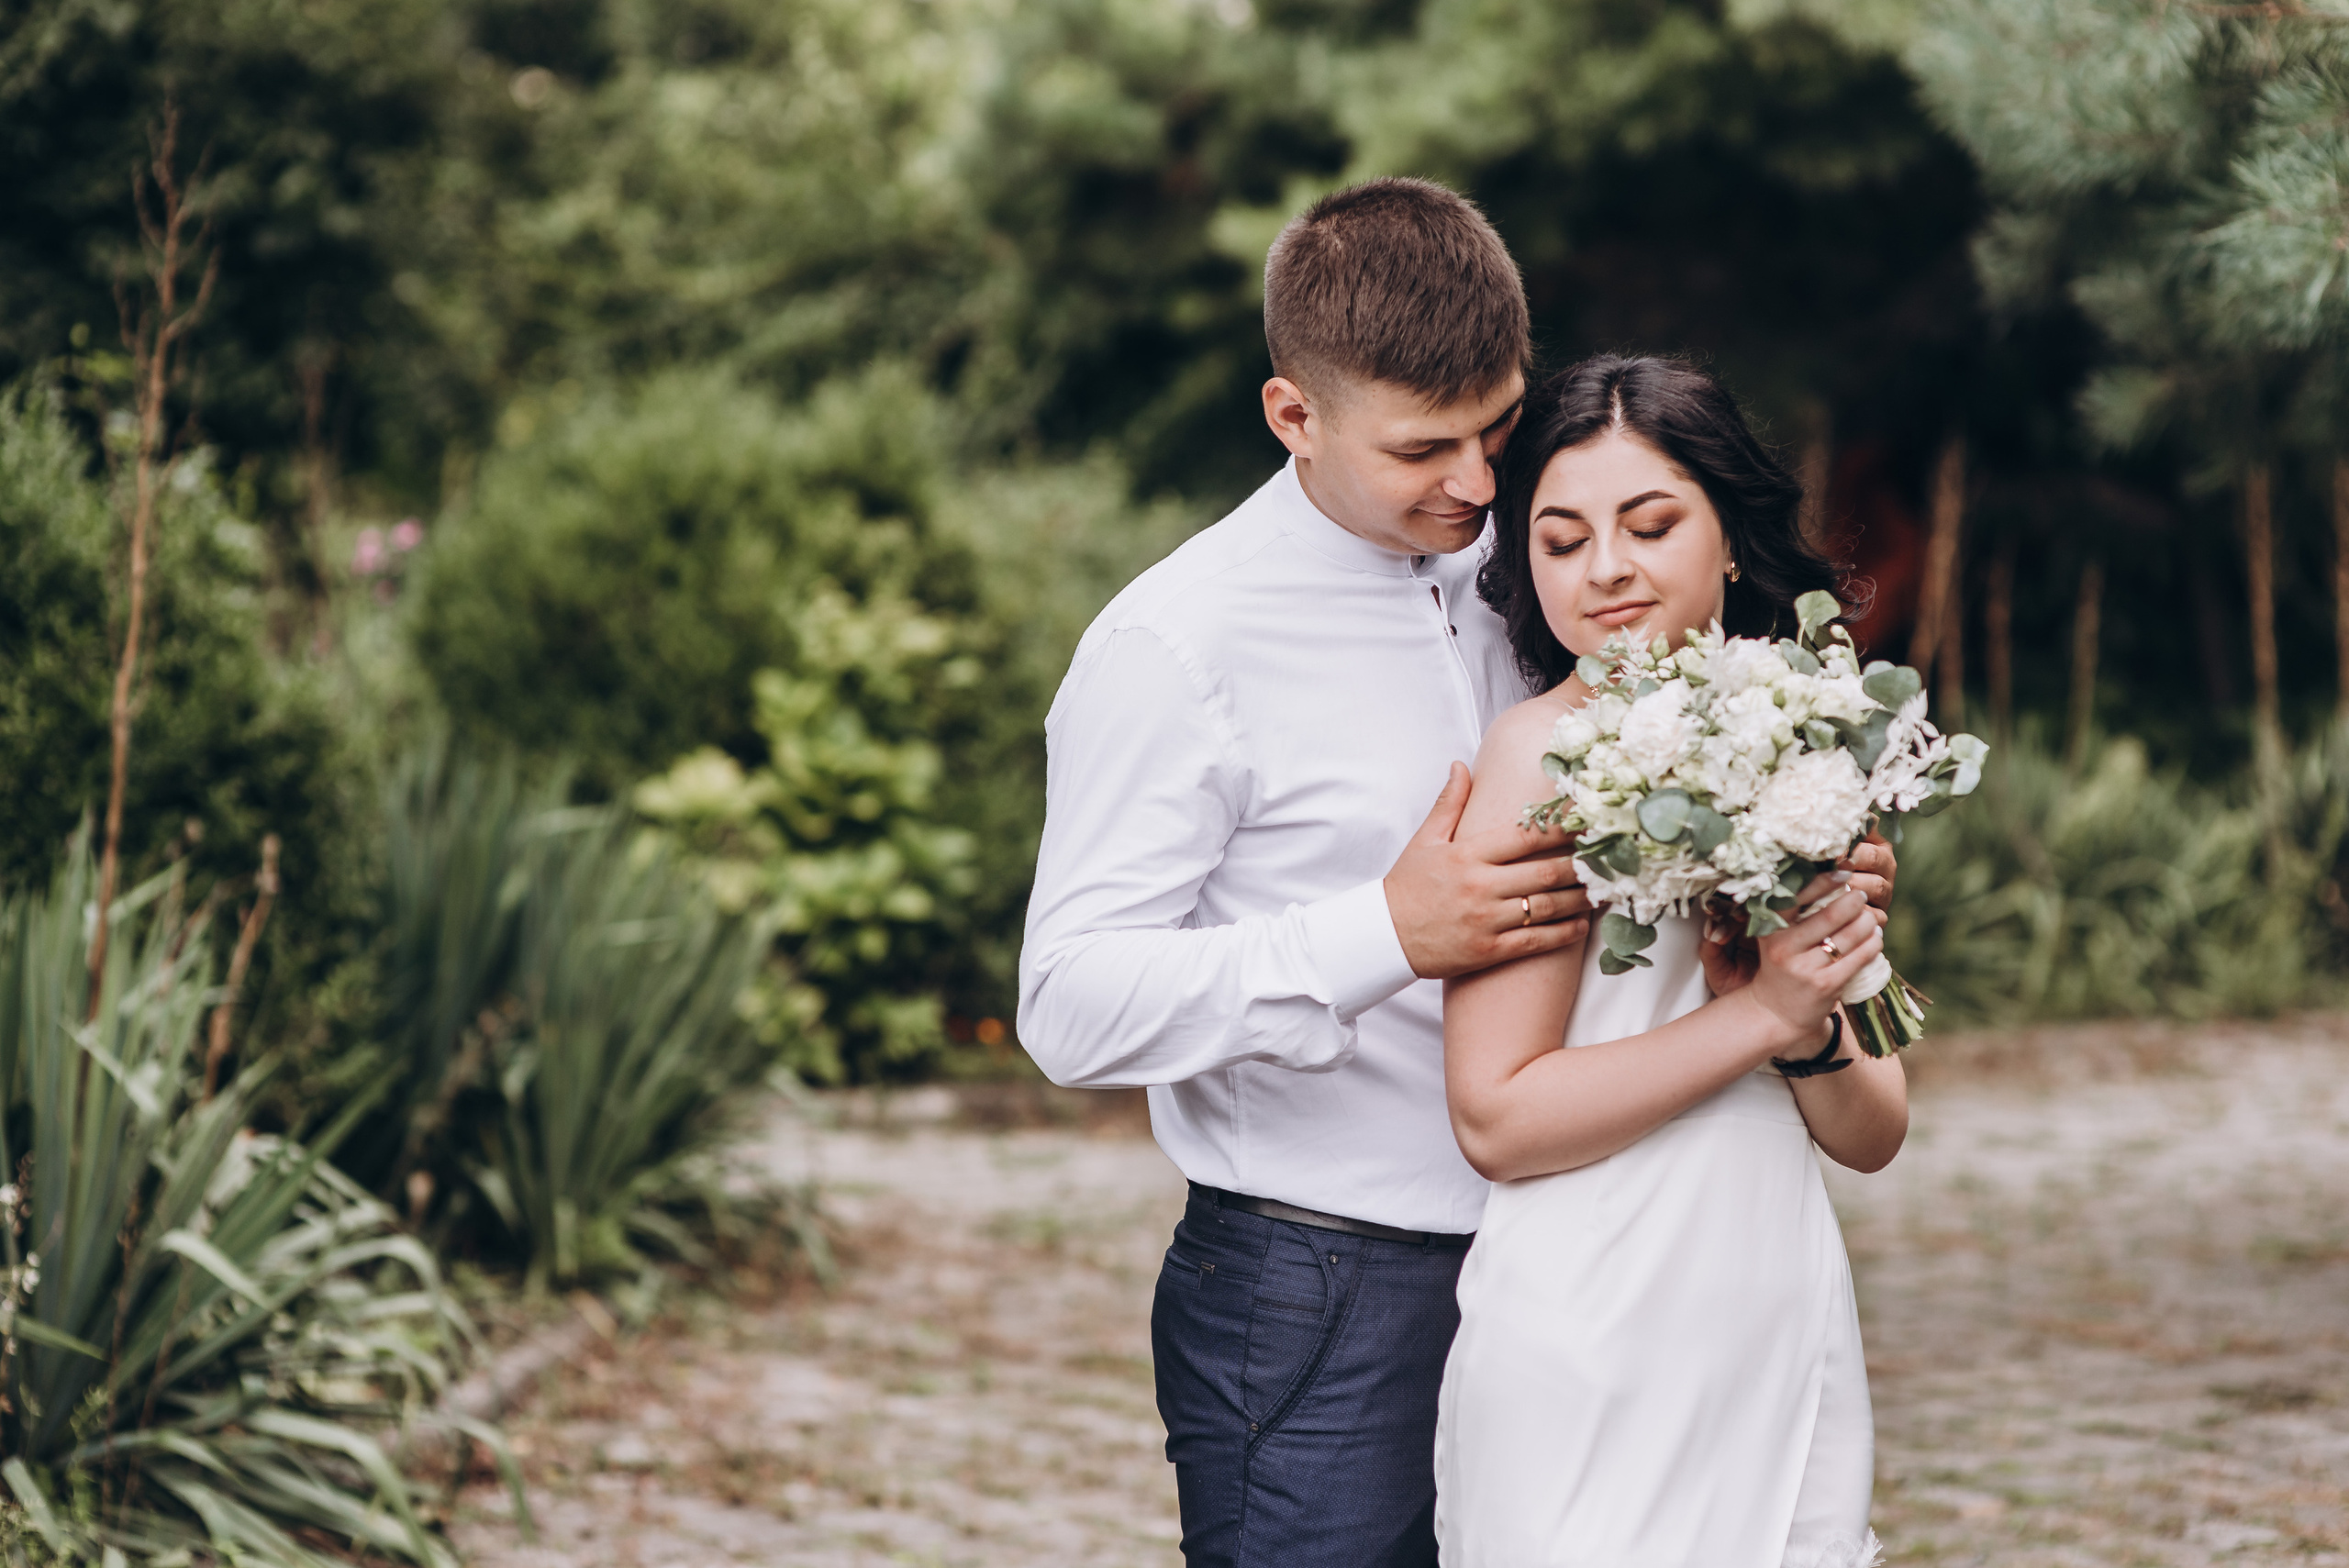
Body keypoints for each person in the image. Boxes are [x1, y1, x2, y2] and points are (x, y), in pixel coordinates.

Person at [1432, 354, 1906, 1568]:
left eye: (1650, 524)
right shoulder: (1537, 761)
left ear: (1733, 541)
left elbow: (1872, 1128)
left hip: (1771, 1294)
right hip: (1596, 1307)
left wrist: (1804, 1024)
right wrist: (1757, 1019)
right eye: (1559, 537)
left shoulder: (1805, 739)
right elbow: (1497, 1113)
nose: (1605, 570)